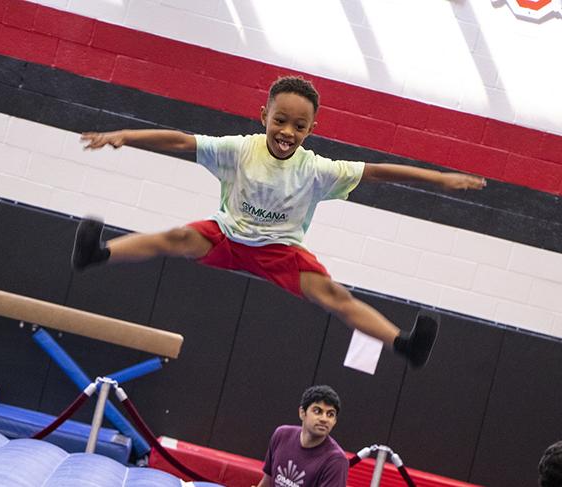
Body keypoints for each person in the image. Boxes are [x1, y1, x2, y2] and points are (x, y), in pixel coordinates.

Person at [73, 75, 486, 368]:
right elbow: (182, 141)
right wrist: (125, 134)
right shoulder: (238, 149)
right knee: (177, 237)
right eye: (280, 121)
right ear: (263, 116)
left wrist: (438, 179)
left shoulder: (318, 170)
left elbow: (378, 171)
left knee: (334, 296)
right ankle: (98, 253)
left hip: (281, 252)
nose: (288, 131)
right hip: (228, 237)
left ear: (311, 129)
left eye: (300, 126)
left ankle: (404, 344)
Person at [254, 385, 348, 487]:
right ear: (302, 413)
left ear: (334, 421)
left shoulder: (336, 461)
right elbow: (267, 482)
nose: (324, 419)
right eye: (317, 411)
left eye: (330, 414)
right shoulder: (281, 435)